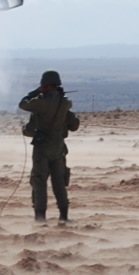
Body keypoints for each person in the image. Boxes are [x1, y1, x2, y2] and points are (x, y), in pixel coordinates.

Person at [19, 69, 81, 222]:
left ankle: (40, 217)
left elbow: (23, 104)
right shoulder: (65, 103)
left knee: (39, 181)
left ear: (45, 86)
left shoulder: (40, 103)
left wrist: (36, 92)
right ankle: (64, 215)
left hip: (42, 148)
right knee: (59, 181)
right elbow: (74, 126)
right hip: (59, 148)